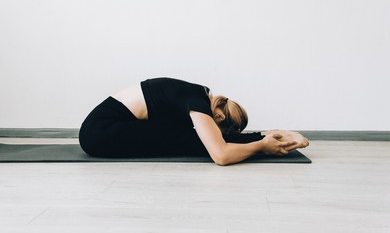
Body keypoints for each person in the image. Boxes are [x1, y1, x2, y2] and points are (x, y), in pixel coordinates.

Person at [79, 77, 309, 165]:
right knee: (194, 140)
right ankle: (269, 137)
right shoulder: (197, 100)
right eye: (221, 127)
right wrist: (261, 146)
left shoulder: (195, 95)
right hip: (100, 133)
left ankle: (270, 134)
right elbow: (221, 156)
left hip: (104, 130)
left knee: (190, 137)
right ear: (218, 116)